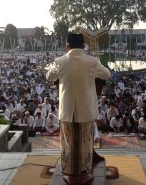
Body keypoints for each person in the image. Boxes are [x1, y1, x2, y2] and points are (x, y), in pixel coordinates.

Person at [46, 32, 111, 184]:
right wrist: (97, 65)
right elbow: (107, 75)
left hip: (67, 111)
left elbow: (49, 76)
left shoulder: (59, 61)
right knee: (85, 142)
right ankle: (83, 173)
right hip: (86, 110)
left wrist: (55, 66)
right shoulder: (92, 61)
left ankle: (70, 173)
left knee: (67, 141)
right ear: (83, 46)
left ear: (67, 45)